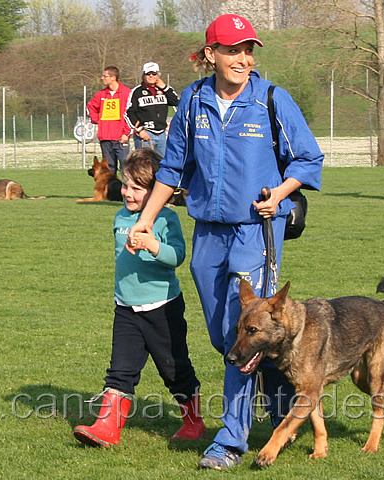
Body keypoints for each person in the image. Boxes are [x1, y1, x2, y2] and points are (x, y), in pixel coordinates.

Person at [126, 14, 324, 470]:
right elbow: (172, 169)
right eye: (233, 50)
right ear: (210, 54)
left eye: (248, 49)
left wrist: (280, 193)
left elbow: (309, 157)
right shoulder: (193, 99)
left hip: (256, 231)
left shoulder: (272, 98)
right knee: (226, 337)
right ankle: (283, 408)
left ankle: (229, 441)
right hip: (208, 234)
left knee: (243, 339)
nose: (243, 58)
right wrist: (146, 222)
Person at [73, 147, 206, 448]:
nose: (128, 192)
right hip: (126, 309)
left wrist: (153, 246)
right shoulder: (120, 216)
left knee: (175, 370)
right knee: (120, 370)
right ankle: (107, 428)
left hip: (162, 309)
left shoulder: (165, 219)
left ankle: (194, 422)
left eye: (138, 188)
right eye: (126, 184)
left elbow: (178, 256)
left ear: (157, 192)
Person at [125, 62, 180, 157]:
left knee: (162, 164)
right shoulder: (137, 92)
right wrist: (140, 130)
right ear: (143, 75)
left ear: (158, 75)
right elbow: (129, 113)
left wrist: (164, 87)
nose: (151, 76)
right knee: (144, 166)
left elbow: (176, 101)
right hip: (146, 133)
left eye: (154, 74)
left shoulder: (164, 90)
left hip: (162, 133)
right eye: (148, 74)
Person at [86, 66, 132, 176]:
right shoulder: (100, 95)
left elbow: (133, 115)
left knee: (125, 168)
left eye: (104, 76)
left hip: (121, 138)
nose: (102, 78)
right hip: (105, 138)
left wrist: (127, 133)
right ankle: (110, 192)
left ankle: (126, 192)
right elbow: (90, 107)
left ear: (113, 77)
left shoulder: (127, 93)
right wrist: (96, 120)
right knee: (108, 169)